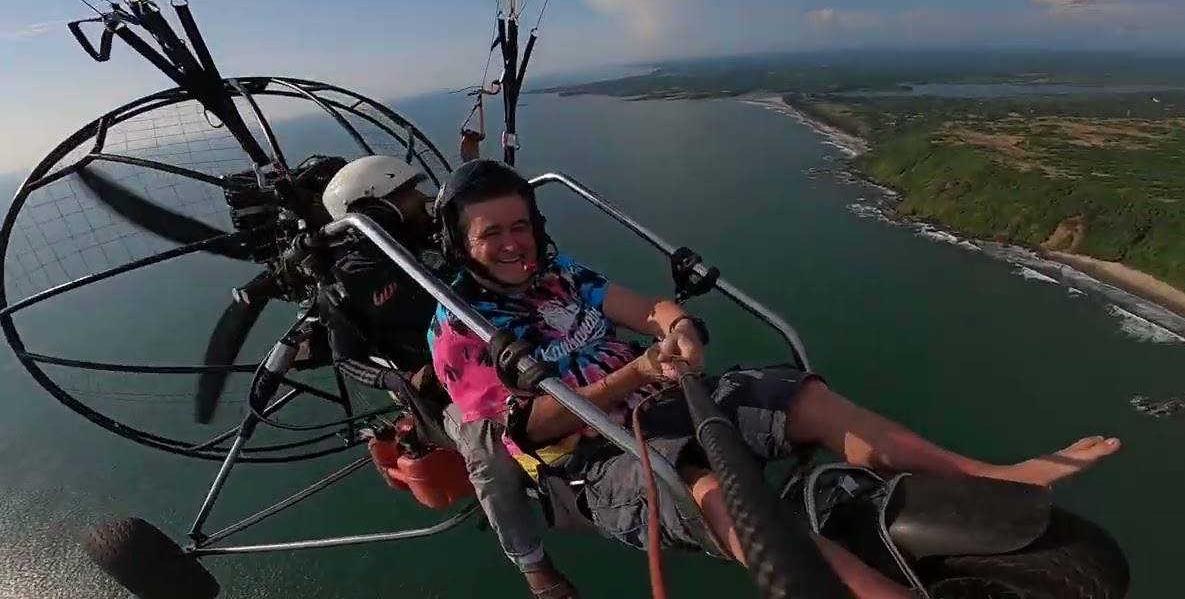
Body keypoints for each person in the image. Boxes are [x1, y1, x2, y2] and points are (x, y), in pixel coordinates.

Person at [426, 159, 1125, 599]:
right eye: (492, 234)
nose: (512, 242)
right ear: (462, 245)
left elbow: (646, 307)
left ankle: (990, 475)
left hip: (661, 393)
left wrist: (676, 329)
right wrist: (637, 370)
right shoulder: (459, 329)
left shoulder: (558, 272)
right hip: (590, 455)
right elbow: (530, 429)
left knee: (807, 397)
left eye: (521, 225)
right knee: (717, 494)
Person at [319, 154, 577, 599]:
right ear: (376, 210)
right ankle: (533, 565)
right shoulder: (345, 286)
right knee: (486, 447)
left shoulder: (439, 248)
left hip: (507, 353)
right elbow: (346, 359)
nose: (422, 200)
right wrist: (402, 381)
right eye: (406, 195)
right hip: (444, 396)